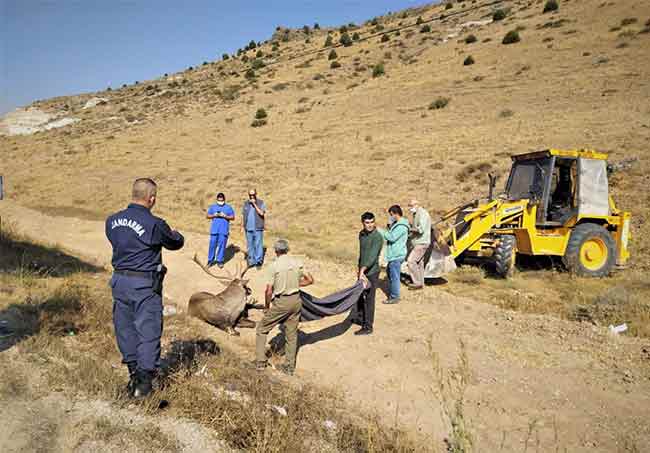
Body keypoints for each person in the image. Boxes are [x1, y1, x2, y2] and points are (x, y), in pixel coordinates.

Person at [106, 178, 184, 398]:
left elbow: (117, 241)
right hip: (144, 284)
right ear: (152, 198)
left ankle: (133, 374)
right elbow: (175, 242)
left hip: (120, 281)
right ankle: (143, 387)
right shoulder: (154, 224)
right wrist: (176, 234)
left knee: (125, 328)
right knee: (147, 332)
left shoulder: (112, 221)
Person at [256, 239, 314, 375]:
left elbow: (268, 291)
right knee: (292, 335)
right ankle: (289, 367)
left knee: (262, 329)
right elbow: (310, 280)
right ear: (287, 249)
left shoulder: (274, 266)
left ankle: (260, 362)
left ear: (276, 251)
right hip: (296, 300)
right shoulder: (297, 262)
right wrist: (294, 285)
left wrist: (266, 306)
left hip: (282, 302)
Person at [355, 211, 383, 335]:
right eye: (367, 223)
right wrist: (359, 268)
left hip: (371, 272)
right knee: (359, 295)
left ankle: (368, 326)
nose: (370, 225)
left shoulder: (377, 237)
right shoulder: (362, 234)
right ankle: (360, 318)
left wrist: (362, 270)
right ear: (363, 223)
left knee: (369, 299)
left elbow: (372, 257)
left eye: (372, 222)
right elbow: (362, 254)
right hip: (362, 271)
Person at [378, 205, 410, 304]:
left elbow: (391, 237)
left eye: (391, 215)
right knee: (390, 273)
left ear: (396, 214)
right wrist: (389, 225)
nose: (390, 217)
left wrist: (380, 230)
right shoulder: (398, 224)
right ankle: (393, 292)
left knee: (394, 276)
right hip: (395, 253)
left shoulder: (401, 226)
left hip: (397, 254)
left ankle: (394, 297)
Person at [406, 199, 432, 290]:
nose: (410, 208)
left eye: (411, 205)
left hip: (422, 242)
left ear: (417, 205)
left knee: (411, 261)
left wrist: (409, 228)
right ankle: (421, 283)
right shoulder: (416, 214)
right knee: (419, 263)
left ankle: (417, 283)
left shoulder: (423, 214)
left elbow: (420, 230)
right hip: (419, 242)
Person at [206, 192, 235, 268]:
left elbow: (232, 217)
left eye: (221, 200)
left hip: (223, 230)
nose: (220, 202)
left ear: (224, 200)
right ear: (217, 199)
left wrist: (225, 216)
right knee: (212, 245)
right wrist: (214, 215)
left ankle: (220, 261)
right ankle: (210, 261)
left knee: (222, 246)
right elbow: (208, 216)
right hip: (214, 230)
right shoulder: (213, 207)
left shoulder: (228, 207)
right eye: (219, 200)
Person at [242, 189, 266, 268]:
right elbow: (243, 215)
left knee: (258, 245)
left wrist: (254, 204)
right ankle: (251, 261)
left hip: (258, 227)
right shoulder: (246, 204)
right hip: (248, 228)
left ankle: (258, 261)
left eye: (253, 195)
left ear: (256, 194)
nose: (251, 196)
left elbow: (261, 213)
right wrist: (242, 226)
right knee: (250, 245)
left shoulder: (261, 203)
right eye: (250, 195)